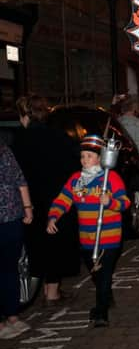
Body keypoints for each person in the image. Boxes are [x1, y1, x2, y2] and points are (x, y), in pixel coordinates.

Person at [46, 135, 130, 328]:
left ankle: (100, 312)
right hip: (87, 238)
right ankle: (106, 296)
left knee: (105, 273)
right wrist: (53, 216)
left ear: (100, 158)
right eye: (82, 156)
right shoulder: (76, 180)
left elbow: (125, 202)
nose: (85, 160)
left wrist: (110, 203)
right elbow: (63, 199)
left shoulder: (111, 178)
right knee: (96, 274)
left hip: (109, 237)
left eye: (89, 156)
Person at [13, 95, 80, 305]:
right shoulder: (59, 137)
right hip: (57, 199)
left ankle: (46, 290)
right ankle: (52, 291)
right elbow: (76, 166)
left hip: (29, 201)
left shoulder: (19, 141)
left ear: (25, 115)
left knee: (37, 245)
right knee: (55, 244)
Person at [0, 143, 33, 339]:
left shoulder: (3, 149)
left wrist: (28, 207)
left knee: (9, 268)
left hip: (11, 217)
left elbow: (20, 180)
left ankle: (12, 315)